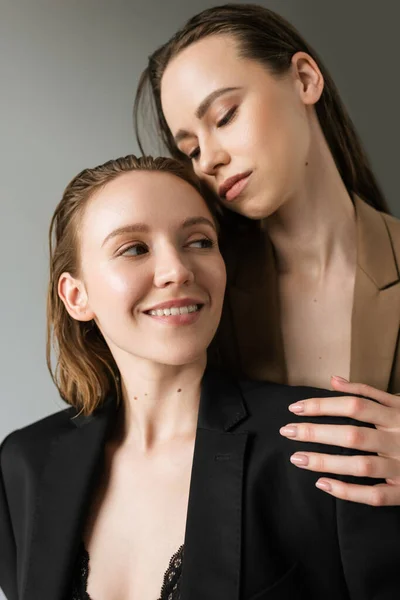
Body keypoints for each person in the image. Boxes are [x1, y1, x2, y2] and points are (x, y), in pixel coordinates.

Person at [1, 154, 399, 600]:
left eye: (199, 241)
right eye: (134, 248)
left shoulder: (325, 447)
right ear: (77, 296)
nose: (178, 269)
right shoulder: (23, 466)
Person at [133, 2, 400, 507]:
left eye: (225, 116)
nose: (208, 159)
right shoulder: (199, 297)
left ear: (303, 79)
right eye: (189, 149)